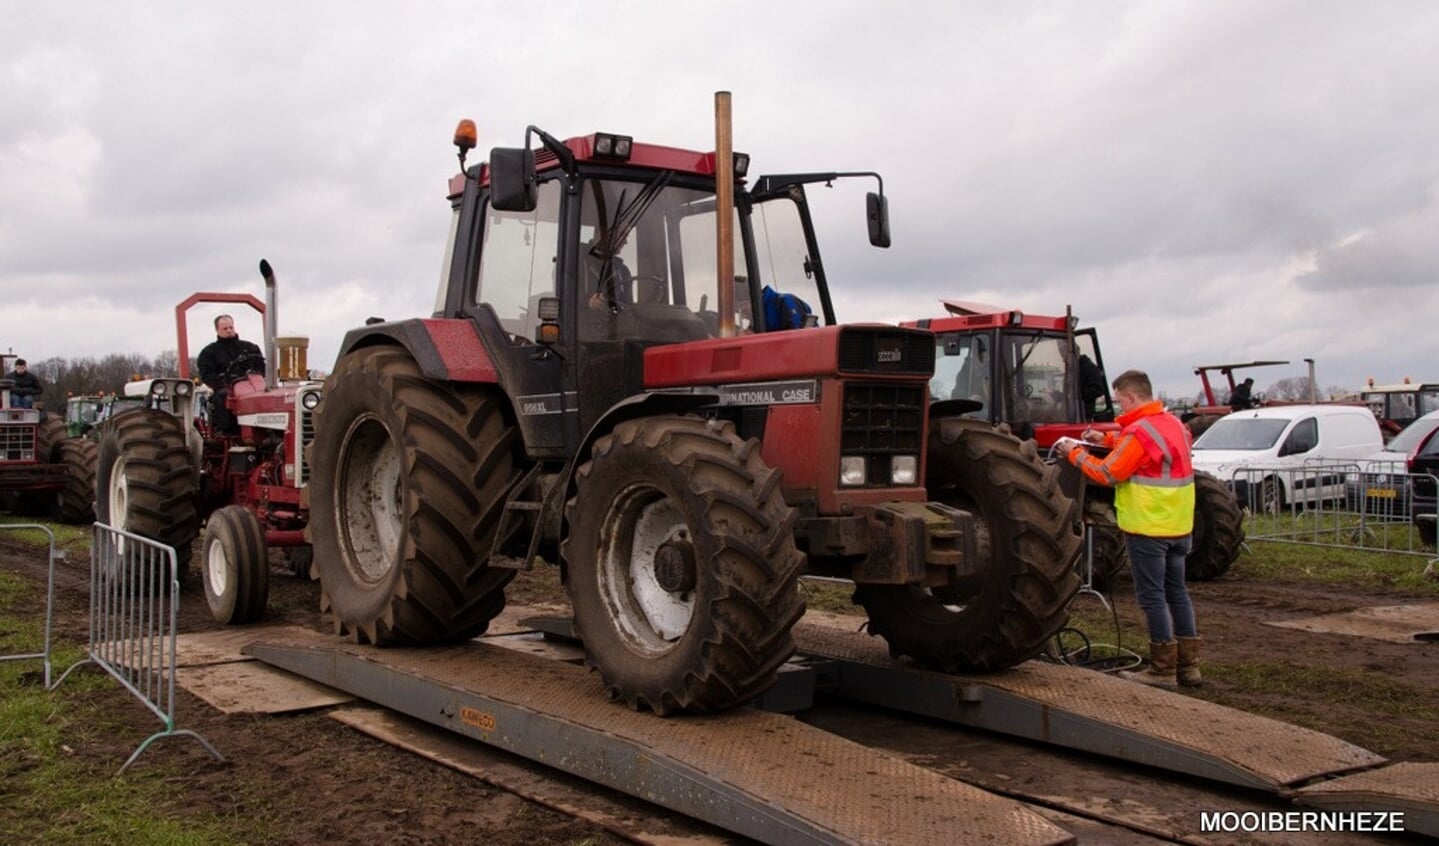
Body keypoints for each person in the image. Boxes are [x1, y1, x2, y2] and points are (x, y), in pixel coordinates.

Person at [1056, 369, 1200, 688]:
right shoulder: (1174, 424)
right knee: (1177, 592)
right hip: (1179, 525)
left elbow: (1109, 473)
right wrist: (1106, 439)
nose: (1120, 407)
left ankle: (1162, 669)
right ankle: (1189, 667)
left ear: (1131, 396)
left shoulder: (1139, 432)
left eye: (1120, 400)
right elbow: (1149, 452)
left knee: (1152, 596)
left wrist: (1075, 453)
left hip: (1148, 526)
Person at [197, 315, 265, 435]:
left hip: (252, 385)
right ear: (217, 330)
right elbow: (207, 375)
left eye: (230, 327)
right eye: (225, 328)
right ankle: (227, 432)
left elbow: (261, 368)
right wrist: (227, 384)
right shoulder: (209, 352)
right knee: (223, 396)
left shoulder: (250, 348)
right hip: (226, 387)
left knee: (266, 394)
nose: (229, 330)